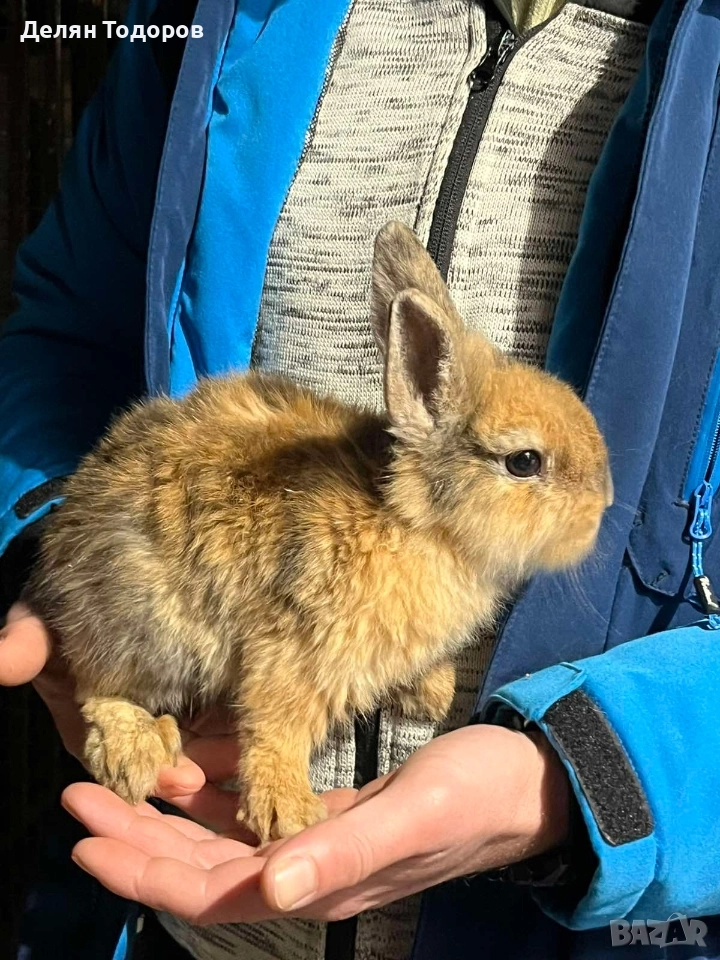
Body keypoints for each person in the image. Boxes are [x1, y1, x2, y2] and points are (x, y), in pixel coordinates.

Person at [1, 0, 719, 957]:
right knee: (172, 622)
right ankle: (121, 696)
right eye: (530, 467)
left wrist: (591, 773)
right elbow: (292, 653)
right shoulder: (202, 19)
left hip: (568, 931)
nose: (595, 502)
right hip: (180, 914)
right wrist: (47, 546)